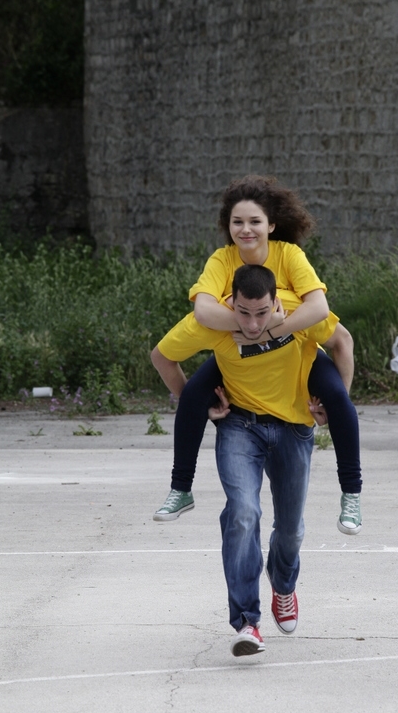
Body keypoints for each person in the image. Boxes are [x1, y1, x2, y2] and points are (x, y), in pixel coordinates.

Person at [153, 175, 362, 533]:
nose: (246, 229)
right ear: (227, 225)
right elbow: (203, 311)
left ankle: (352, 494)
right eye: (237, 222)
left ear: (272, 224)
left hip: (297, 348)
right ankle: (181, 488)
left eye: (255, 221)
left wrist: (274, 329)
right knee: (192, 395)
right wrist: (252, 327)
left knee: (339, 398)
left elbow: (319, 309)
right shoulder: (222, 260)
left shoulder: (288, 255)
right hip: (234, 351)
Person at [151, 264, 336, 656]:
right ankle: (247, 622)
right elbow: (162, 357)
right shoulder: (214, 322)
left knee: (291, 530)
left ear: (276, 303)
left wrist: (333, 407)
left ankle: (283, 585)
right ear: (230, 303)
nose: (252, 325)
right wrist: (197, 404)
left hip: (293, 428)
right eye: (243, 313)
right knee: (242, 513)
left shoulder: (297, 313)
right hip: (240, 427)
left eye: (262, 313)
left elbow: (343, 342)